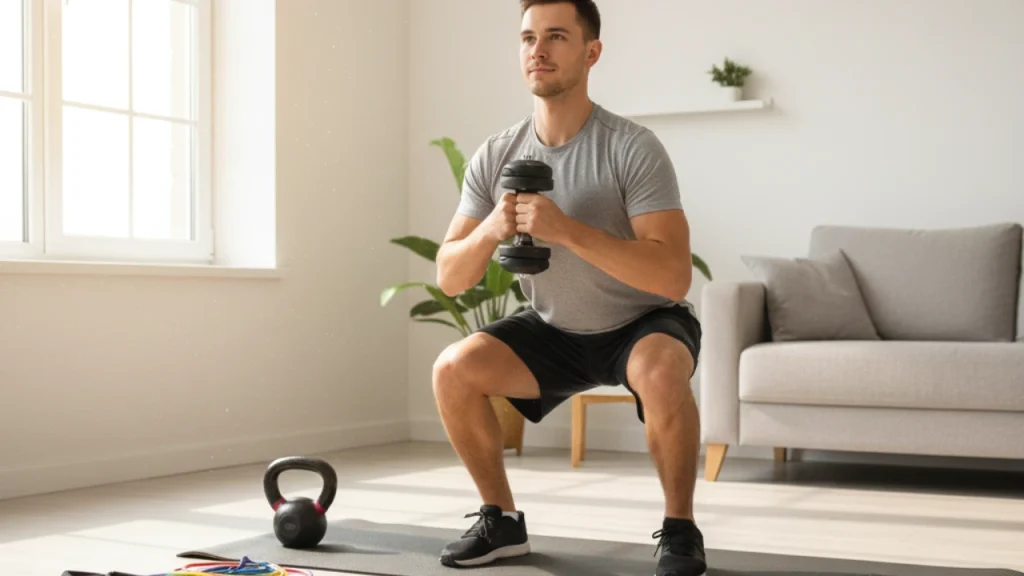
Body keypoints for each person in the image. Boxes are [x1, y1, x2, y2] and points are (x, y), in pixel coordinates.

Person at [431, 1, 706, 574]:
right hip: (555, 327)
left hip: (642, 323)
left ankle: (680, 530)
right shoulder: (496, 154)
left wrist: (567, 231)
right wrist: (493, 227)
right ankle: (502, 522)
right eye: (528, 37)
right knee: (453, 370)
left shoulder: (631, 147)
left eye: (556, 36)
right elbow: (451, 277)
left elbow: (673, 274)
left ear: (591, 52)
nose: (538, 50)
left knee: (660, 370)